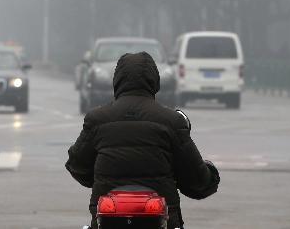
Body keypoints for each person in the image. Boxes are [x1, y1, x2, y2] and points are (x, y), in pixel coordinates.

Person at [66, 51, 220, 228]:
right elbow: (197, 181)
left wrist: (102, 177)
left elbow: (77, 166)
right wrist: (210, 176)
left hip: (106, 222)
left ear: (117, 80)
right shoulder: (172, 121)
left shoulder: (97, 119)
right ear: (154, 81)